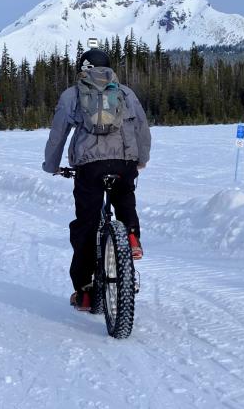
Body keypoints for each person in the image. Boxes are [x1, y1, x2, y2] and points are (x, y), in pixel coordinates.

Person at [43, 45, 151, 312]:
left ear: (84, 69)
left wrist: (52, 165)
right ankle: (131, 237)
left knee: (86, 225)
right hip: (124, 162)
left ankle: (85, 292)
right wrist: (141, 159)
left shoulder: (72, 95)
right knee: (124, 196)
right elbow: (142, 128)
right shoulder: (125, 93)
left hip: (89, 167)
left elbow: (58, 134)